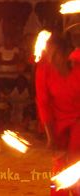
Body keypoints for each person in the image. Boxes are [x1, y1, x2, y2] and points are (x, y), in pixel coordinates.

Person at [35, 32, 80, 195]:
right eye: (49, 55)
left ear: (66, 53)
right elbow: (43, 104)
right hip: (58, 120)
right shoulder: (44, 69)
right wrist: (50, 137)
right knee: (59, 164)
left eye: (55, 55)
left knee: (76, 159)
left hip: (79, 119)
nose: (51, 59)